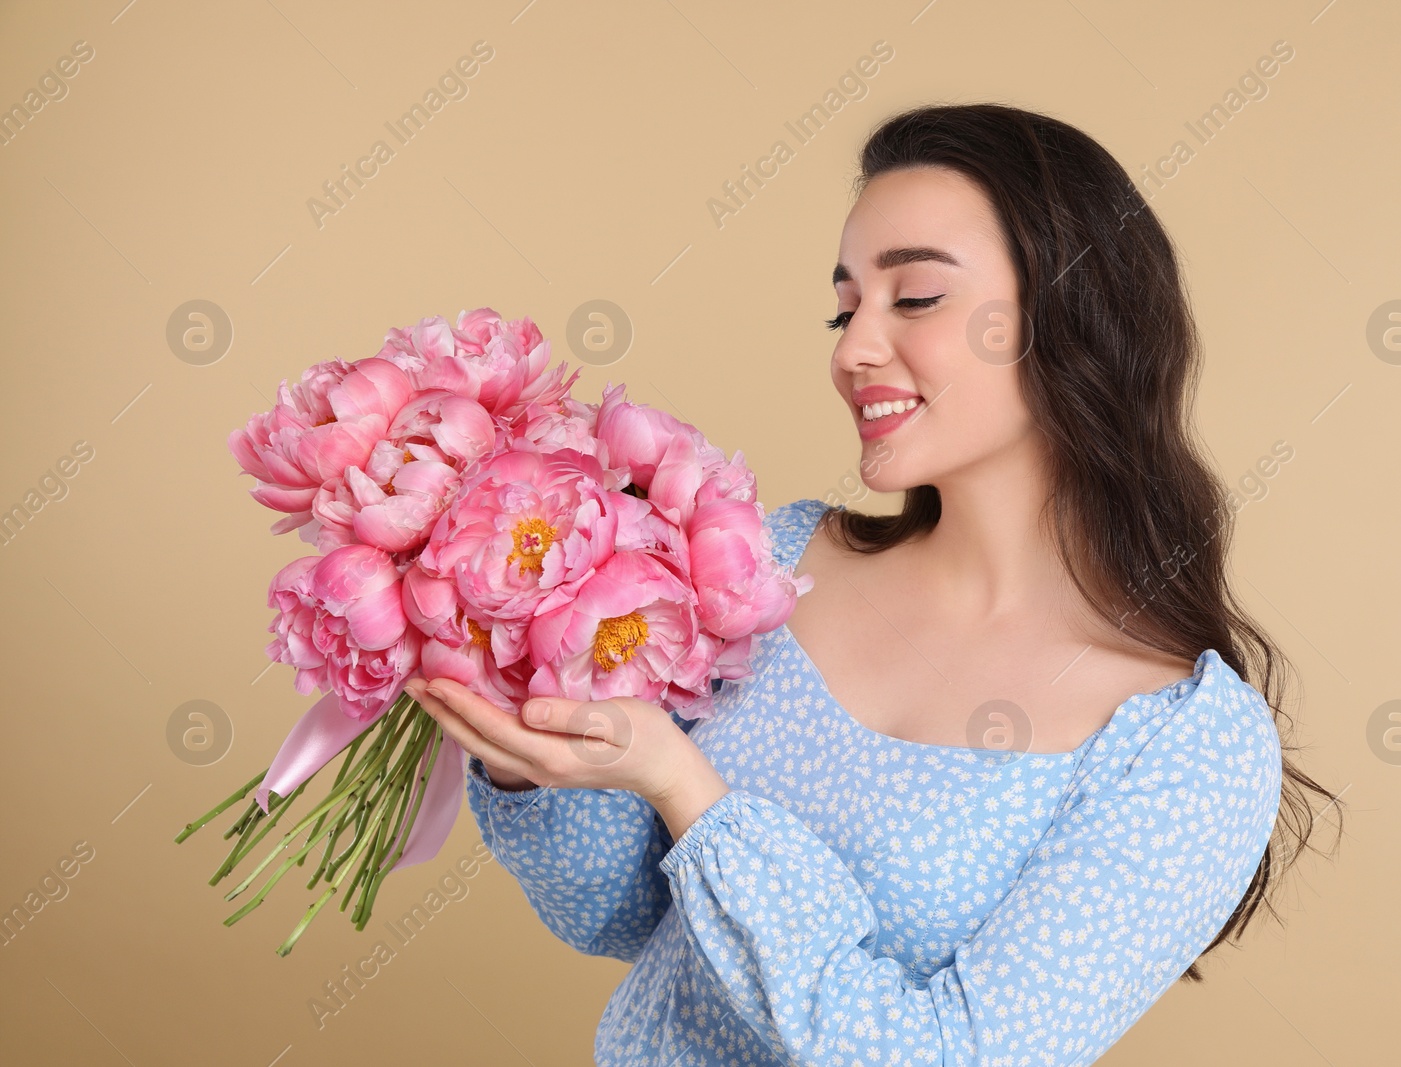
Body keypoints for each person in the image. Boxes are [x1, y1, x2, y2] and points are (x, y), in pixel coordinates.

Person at [405, 102, 1343, 1066]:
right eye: (845, 306)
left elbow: (949, 1056)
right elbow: (618, 915)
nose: (852, 349)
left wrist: (685, 785)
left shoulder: (1186, 746)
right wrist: (530, 751)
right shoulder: (767, 564)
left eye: (917, 298)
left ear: (1074, 314)